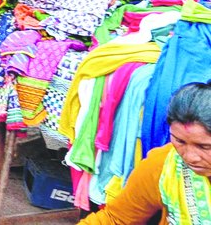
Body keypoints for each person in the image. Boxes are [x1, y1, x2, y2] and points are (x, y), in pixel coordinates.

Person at [79, 82, 211, 224]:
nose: (189, 157)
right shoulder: (162, 166)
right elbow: (116, 219)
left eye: (204, 147)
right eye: (179, 141)